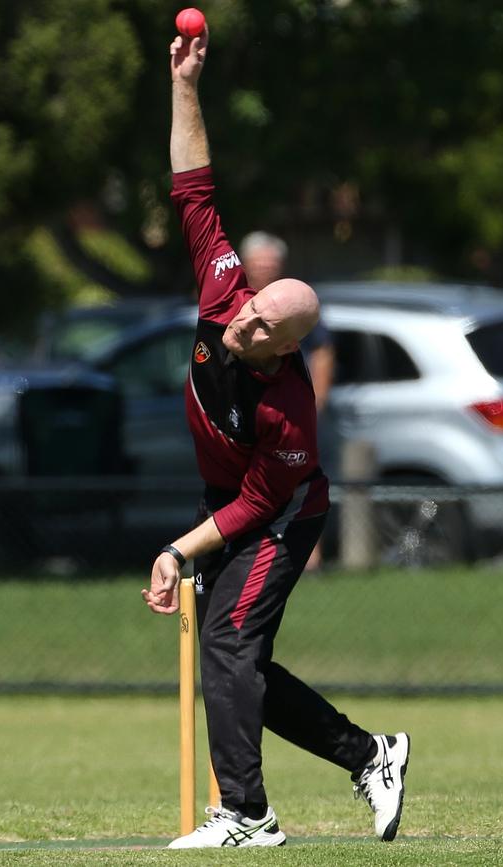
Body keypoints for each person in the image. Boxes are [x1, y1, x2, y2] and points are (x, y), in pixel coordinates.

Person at [141, 23, 410, 849]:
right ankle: (371, 755)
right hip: (227, 497)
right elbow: (194, 188)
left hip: (282, 512)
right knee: (238, 662)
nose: (244, 319)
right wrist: (186, 84)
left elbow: (264, 498)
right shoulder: (225, 289)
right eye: (252, 306)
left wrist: (179, 549)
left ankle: (247, 815)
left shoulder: (289, 409)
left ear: (287, 349)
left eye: (262, 324)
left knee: (226, 641)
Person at [240, 231, 336, 570]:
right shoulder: (236, 302)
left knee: (302, 481)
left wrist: (315, 401)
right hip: (247, 412)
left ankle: (310, 556)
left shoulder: (295, 305)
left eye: (271, 263)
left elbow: (322, 350)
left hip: (289, 411)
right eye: (259, 263)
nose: (265, 269)